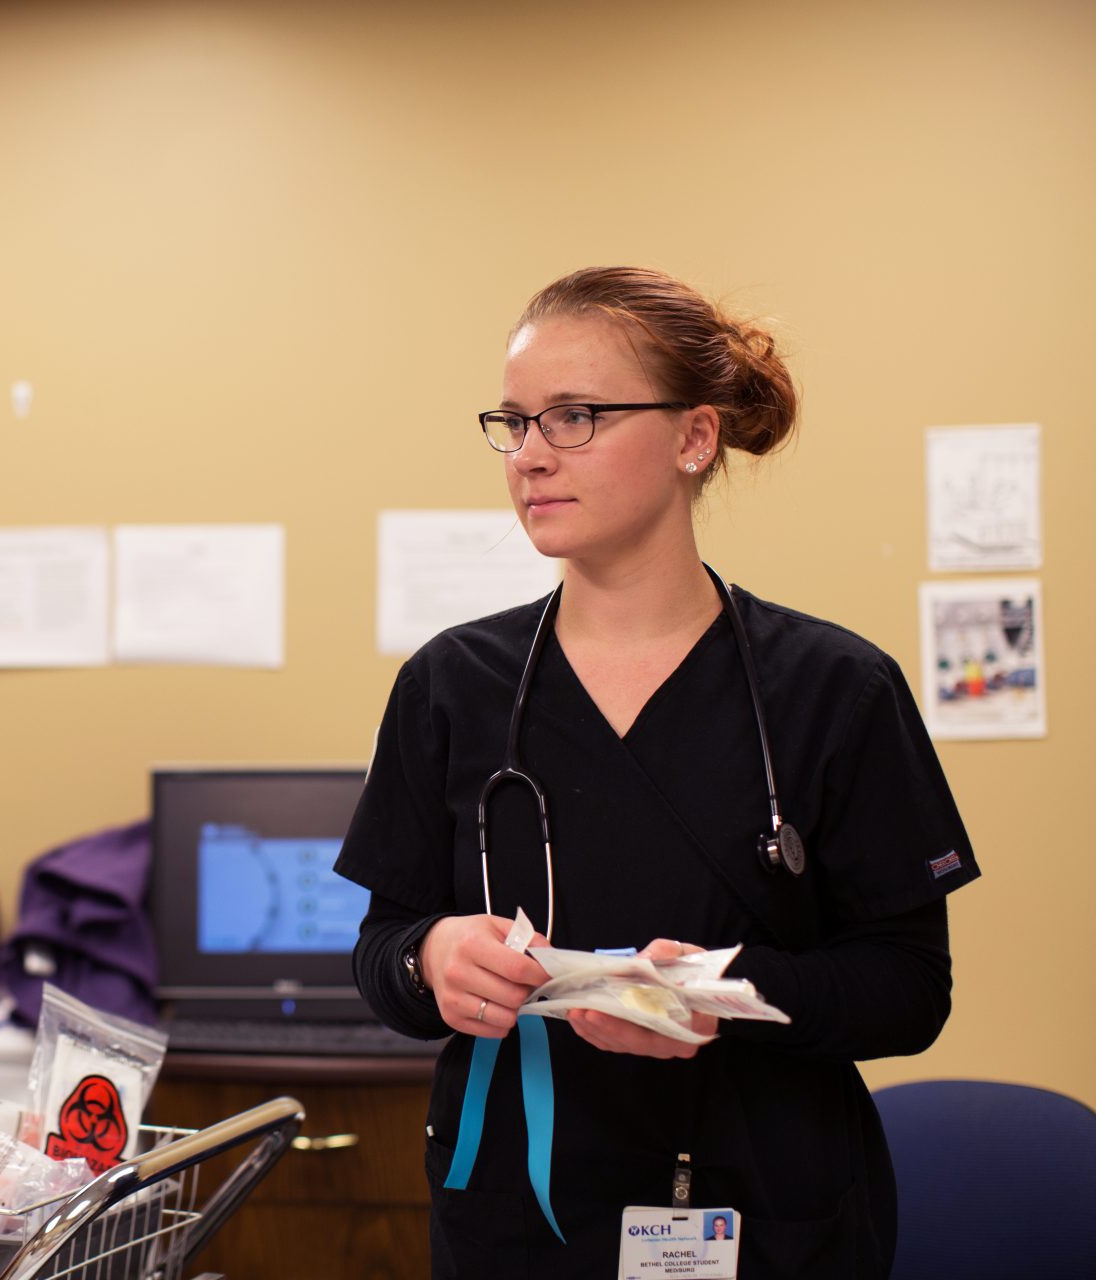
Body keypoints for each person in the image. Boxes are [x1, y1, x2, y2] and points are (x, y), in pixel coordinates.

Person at [336, 266, 978, 1278]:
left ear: (694, 437)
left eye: (576, 416)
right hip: (521, 1214)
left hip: (768, 1213)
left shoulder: (836, 689)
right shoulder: (451, 686)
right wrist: (436, 957)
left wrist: (721, 997)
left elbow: (910, 987)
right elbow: (384, 948)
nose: (531, 455)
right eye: (515, 420)